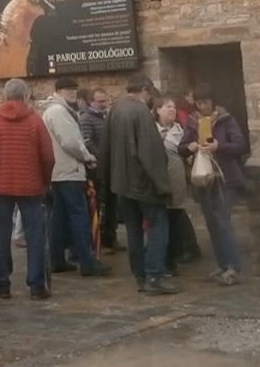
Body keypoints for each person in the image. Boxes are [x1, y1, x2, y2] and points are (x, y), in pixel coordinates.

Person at [0, 79, 54, 300]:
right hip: (31, 184)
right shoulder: (35, 122)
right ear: (25, 96)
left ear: (5, 96)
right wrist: (44, 180)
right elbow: (48, 156)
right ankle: (36, 285)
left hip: (1, 185)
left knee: (1, 235)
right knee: (35, 235)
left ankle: (2, 284)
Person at [101, 76, 176, 295]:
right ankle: (155, 275)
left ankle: (140, 276)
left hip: (122, 183)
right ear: (144, 89)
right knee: (157, 226)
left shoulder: (116, 109)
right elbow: (150, 152)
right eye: (150, 93)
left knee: (133, 230)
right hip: (143, 183)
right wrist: (163, 185)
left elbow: (105, 146)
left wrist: (106, 178)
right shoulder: (141, 111)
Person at [42, 78, 108, 278]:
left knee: (59, 217)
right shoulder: (59, 112)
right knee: (79, 216)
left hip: (59, 172)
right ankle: (87, 262)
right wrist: (87, 157)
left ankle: (57, 260)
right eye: (67, 89)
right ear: (58, 91)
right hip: (68, 171)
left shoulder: (56, 111)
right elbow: (70, 142)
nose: (72, 92)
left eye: (74, 89)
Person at [185, 93, 248, 285]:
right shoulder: (193, 121)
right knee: (212, 223)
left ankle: (233, 267)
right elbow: (182, 146)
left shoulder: (226, 120)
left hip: (226, 177)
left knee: (222, 221)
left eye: (204, 102)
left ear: (212, 102)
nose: (201, 106)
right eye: (198, 102)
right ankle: (223, 264)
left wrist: (219, 147)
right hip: (204, 179)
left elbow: (240, 145)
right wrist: (190, 146)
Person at [152, 97, 200, 271]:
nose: (172, 109)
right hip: (158, 179)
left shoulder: (181, 131)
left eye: (173, 107)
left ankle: (180, 250)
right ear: (158, 110)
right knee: (166, 216)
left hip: (177, 179)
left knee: (176, 213)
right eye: (167, 107)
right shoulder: (151, 130)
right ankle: (176, 250)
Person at [79, 88, 118, 252]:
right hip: (97, 168)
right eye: (100, 101)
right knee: (99, 205)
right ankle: (98, 242)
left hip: (111, 167)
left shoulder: (108, 117)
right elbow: (87, 142)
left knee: (112, 204)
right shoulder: (86, 118)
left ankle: (111, 237)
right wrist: (101, 157)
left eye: (105, 100)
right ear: (91, 102)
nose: (104, 104)